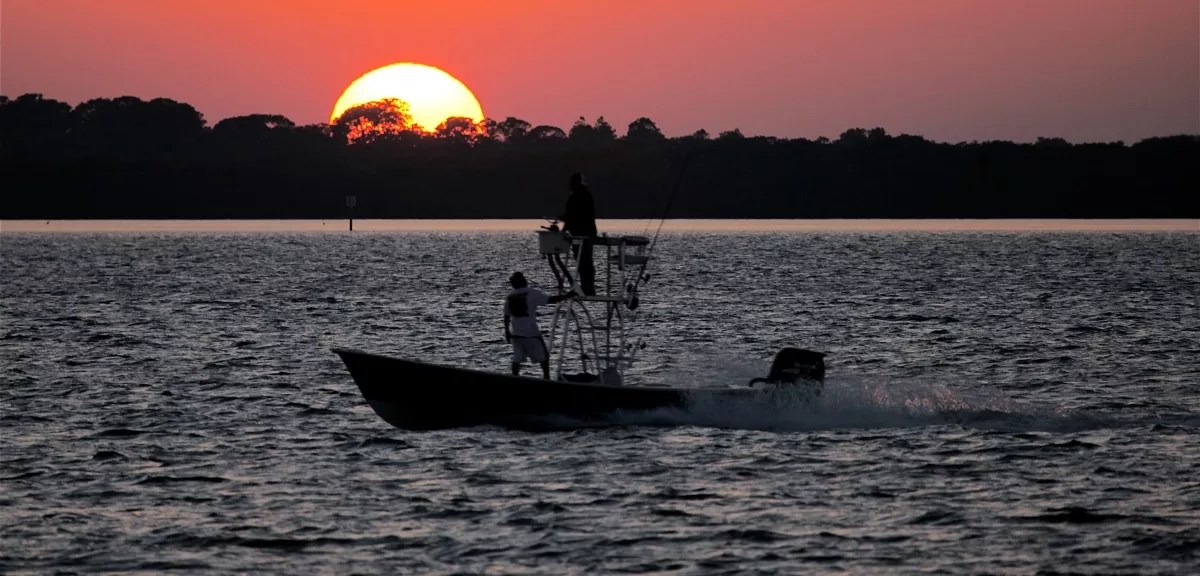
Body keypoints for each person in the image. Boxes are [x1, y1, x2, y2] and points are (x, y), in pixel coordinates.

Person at [503, 272, 573, 378]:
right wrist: (567, 296)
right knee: (544, 357)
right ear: (523, 281)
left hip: (515, 332)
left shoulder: (510, 296)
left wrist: (507, 332)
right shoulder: (532, 293)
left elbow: (506, 315)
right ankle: (546, 378)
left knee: (517, 358)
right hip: (530, 332)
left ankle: (514, 377)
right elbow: (549, 300)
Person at [560, 172, 597, 296]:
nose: (569, 185)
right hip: (587, 234)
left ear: (576, 183)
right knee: (586, 262)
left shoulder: (576, 197)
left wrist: (563, 230)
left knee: (583, 261)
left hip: (582, 235)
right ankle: (588, 287)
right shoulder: (586, 195)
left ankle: (587, 287)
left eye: (571, 182)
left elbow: (572, 217)